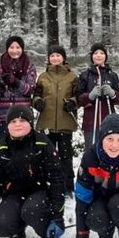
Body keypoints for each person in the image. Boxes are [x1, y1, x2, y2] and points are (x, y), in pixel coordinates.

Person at [0, 106, 66, 238]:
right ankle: (17, 228)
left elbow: (57, 179)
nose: (17, 124)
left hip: (41, 193)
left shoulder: (43, 143)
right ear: (7, 125)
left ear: (30, 123)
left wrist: (58, 216)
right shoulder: (2, 147)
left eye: (22, 120)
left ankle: (48, 234)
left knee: (31, 210)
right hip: (15, 193)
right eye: (13, 121)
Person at [32, 44, 78, 190]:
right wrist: (37, 102)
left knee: (66, 155)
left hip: (66, 122)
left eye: (58, 55)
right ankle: (47, 182)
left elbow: (78, 96)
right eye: (52, 56)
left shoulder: (72, 76)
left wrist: (73, 103)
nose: (55, 58)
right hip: (47, 122)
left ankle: (67, 184)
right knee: (47, 155)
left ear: (63, 58)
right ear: (48, 59)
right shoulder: (43, 77)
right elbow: (36, 94)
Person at [0, 35, 37, 140]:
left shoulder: (29, 66)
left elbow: (30, 89)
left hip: (24, 114)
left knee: (25, 150)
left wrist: (16, 82)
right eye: (11, 47)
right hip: (4, 115)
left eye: (18, 47)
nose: (15, 51)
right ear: (7, 48)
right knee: (6, 148)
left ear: (22, 49)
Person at [77, 42, 119, 151]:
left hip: (109, 120)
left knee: (108, 151)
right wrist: (90, 96)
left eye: (102, 53)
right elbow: (79, 97)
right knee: (91, 151)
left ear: (105, 56)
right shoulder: (85, 75)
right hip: (90, 121)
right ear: (91, 56)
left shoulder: (112, 75)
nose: (98, 55)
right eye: (96, 53)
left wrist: (113, 93)